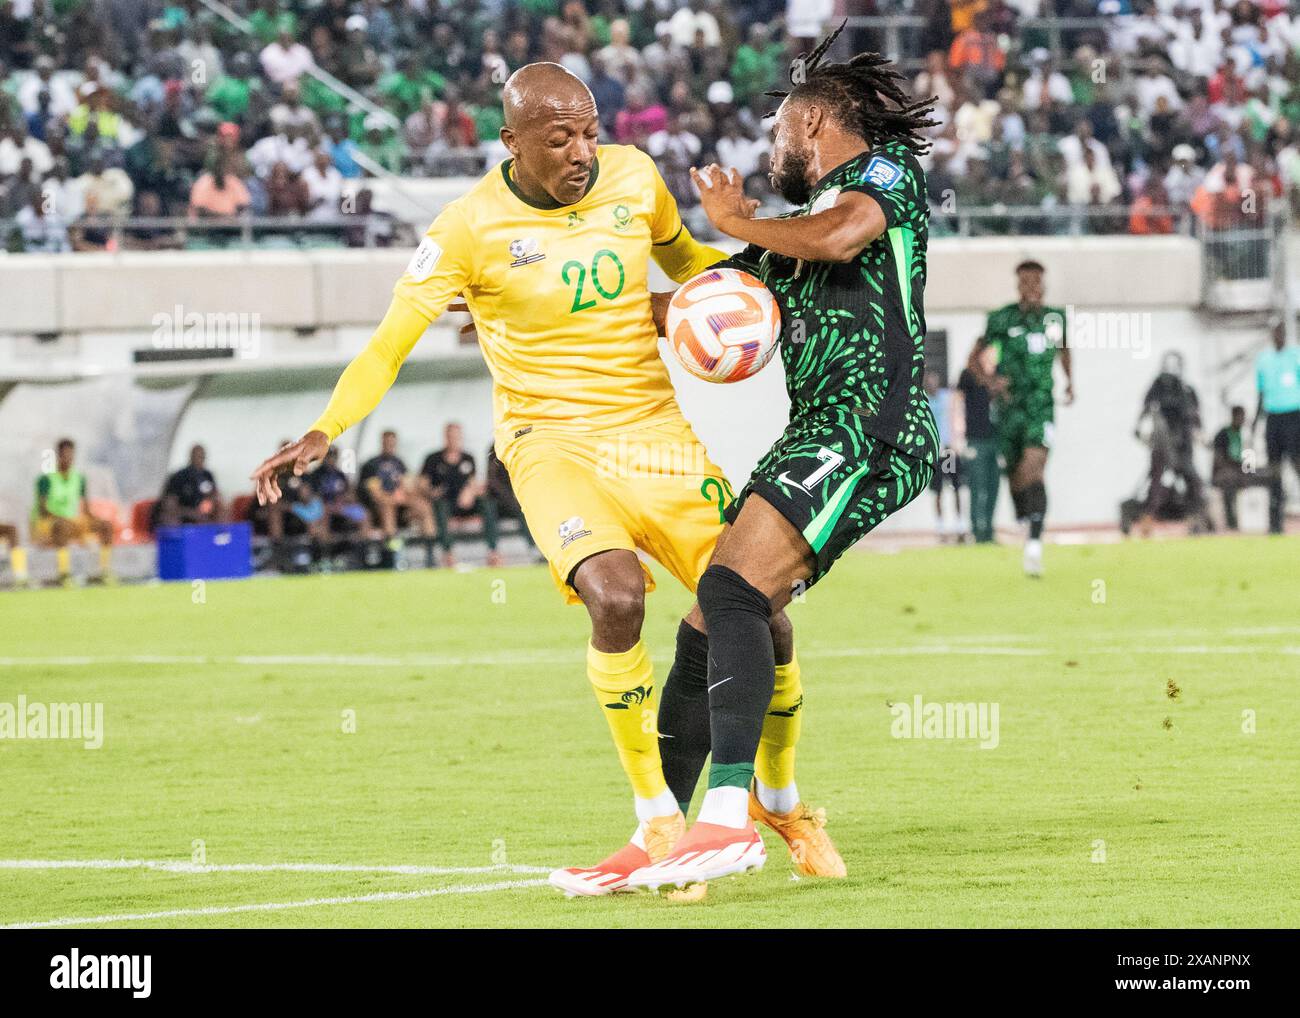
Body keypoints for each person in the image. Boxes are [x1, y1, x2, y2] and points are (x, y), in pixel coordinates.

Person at [251, 62, 839, 899]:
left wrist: (754, 293)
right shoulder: (465, 230)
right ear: (512, 142)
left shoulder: (636, 179)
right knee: (616, 597)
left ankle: (779, 802)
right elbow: (388, 343)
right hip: (549, 443)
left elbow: (692, 264)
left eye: (590, 131)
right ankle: (658, 818)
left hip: (656, 434)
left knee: (762, 612)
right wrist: (324, 430)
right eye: (559, 138)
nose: (582, 152)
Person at [628, 25, 939, 888]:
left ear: (811, 128)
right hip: (819, 430)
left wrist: (731, 216)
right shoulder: (791, 232)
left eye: (776, 136)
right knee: (714, 623)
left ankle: (729, 820)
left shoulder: (882, 179)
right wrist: (541, 314)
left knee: (729, 590)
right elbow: (699, 306)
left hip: (874, 429)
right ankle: (664, 844)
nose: (770, 153)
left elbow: (843, 238)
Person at [975, 259, 1074, 577]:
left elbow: (1064, 350)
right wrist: (991, 381)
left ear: (1043, 285)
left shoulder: (1055, 318)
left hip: (1041, 406)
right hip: (1009, 409)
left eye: (1037, 281)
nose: (1032, 287)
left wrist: (1071, 381)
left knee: (1034, 466)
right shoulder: (1001, 319)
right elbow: (975, 358)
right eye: (1026, 281)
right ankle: (1026, 523)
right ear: (1018, 284)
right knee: (1016, 475)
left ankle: (1034, 544)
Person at [1134, 352, 1211, 535]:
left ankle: (1197, 519)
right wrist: (1141, 430)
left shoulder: (1186, 391)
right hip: (1162, 445)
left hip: (1183, 445)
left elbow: (1196, 417)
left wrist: (1199, 433)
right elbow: (1145, 412)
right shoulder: (1157, 388)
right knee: (1156, 481)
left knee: (1193, 481)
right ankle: (1148, 519)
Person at [31, 438, 114, 584]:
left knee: (106, 525)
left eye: (71, 455)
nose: (68, 459)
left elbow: (86, 508)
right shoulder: (46, 479)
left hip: (73, 521)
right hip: (50, 523)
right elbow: (43, 510)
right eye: (65, 455)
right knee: (62, 526)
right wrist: (65, 519)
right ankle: (64, 573)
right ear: (58, 456)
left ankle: (103, 571)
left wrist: (96, 519)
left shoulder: (79, 478)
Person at [418, 423, 499, 568]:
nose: (453, 439)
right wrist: (431, 492)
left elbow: (474, 482)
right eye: (450, 436)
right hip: (445, 502)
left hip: (465, 502)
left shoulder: (468, 458)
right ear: (445, 437)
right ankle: (448, 553)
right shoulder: (433, 458)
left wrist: (470, 492)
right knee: (440, 507)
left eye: (456, 436)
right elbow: (422, 484)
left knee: (487, 503)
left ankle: (493, 551)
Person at [1254, 321, 1300, 534]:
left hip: (1294, 416)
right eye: (1275, 332)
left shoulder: (1295, 356)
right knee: (1274, 471)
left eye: (1281, 331)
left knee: (1297, 464)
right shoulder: (1264, 359)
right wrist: (1255, 423)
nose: (1278, 335)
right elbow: (1261, 394)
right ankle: (1275, 523)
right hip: (1273, 418)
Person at [956, 339, 1000, 543]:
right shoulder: (968, 375)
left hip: (996, 438)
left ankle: (989, 531)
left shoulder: (1000, 374)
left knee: (993, 486)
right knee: (977, 486)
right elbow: (956, 404)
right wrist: (958, 436)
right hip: (975, 439)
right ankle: (977, 530)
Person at [356, 430, 435, 543]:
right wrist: (395, 498)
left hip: (400, 505)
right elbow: (376, 494)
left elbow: (408, 487)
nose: (390, 446)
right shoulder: (371, 465)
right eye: (387, 442)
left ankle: (430, 549)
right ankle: (391, 551)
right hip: (378, 508)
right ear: (382, 442)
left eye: (392, 443)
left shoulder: (399, 463)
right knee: (388, 509)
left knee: (424, 507)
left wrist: (406, 495)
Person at [926, 368, 966, 542]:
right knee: (938, 491)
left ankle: (960, 527)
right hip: (934, 452)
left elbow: (957, 404)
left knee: (955, 487)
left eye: (934, 381)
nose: (932, 384)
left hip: (948, 450)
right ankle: (941, 528)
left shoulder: (946, 397)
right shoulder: (923, 400)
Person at [1212, 406, 1263, 531]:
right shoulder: (1223, 434)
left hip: (1240, 470)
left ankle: (1264, 518)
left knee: (1268, 475)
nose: (1242, 420)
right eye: (1239, 416)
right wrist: (1239, 467)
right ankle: (1232, 523)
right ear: (1233, 416)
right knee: (1229, 482)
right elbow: (1219, 460)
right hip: (1225, 471)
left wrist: (1248, 470)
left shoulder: (1244, 434)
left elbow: (1248, 458)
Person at [156, 445, 223, 528]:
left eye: (202, 456)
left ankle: (225, 537)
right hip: (183, 512)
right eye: (198, 456)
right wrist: (191, 513)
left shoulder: (207, 475)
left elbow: (214, 496)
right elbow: (170, 504)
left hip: (202, 512)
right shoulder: (179, 476)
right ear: (191, 457)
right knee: (170, 519)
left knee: (221, 513)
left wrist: (208, 507)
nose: (201, 459)